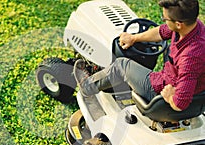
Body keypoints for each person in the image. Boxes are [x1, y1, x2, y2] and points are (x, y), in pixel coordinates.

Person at [74, 0, 205, 111]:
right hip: (174, 79)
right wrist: (134, 38)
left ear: (178, 24)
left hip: (159, 93)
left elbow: (181, 103)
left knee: (121, 65)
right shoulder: (194, 25)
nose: (164, 21)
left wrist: (170, 96)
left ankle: (87, 87)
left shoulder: (190, 58)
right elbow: (161, 32)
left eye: (165, 18)